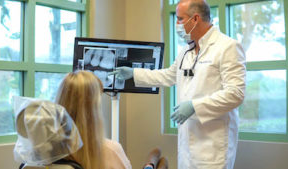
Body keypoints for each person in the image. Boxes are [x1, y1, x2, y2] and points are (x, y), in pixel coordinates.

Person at [109, 0, 246, 168]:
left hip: (212, 148)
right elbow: (168, 75)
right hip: (187, 145)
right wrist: (134, 73)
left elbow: (235, 94)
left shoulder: (227, 47)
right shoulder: (186, 50)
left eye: (180, 19)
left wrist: (195, 106)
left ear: (195, 19)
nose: (177, 24)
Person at [56, 70, 169, 169]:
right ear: (93, 111)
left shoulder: (48, 152)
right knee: (163, 162)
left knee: (156, 157)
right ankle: (150, 164)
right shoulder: (110, 150)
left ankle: (150, 164)